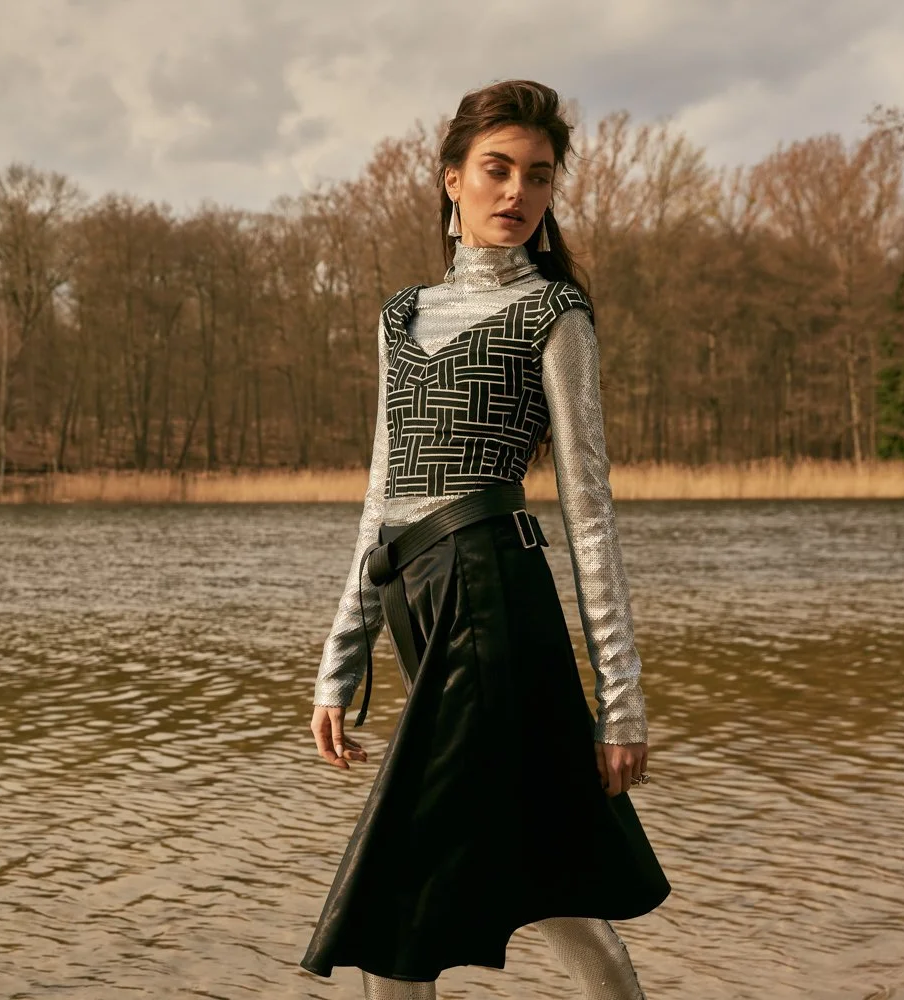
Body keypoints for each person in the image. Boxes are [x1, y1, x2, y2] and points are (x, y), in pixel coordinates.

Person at [298, 80, 671, 999]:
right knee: (544, 860)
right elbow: (382, 491)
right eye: (497, 170)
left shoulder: (556, 314)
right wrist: (338, 661)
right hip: (413, 600)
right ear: (451, 180)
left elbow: (589, 509)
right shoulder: (400, 316)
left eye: (538, 177)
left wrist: (619, 701)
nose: (517, 193)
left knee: (405, 874)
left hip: (491, 599)